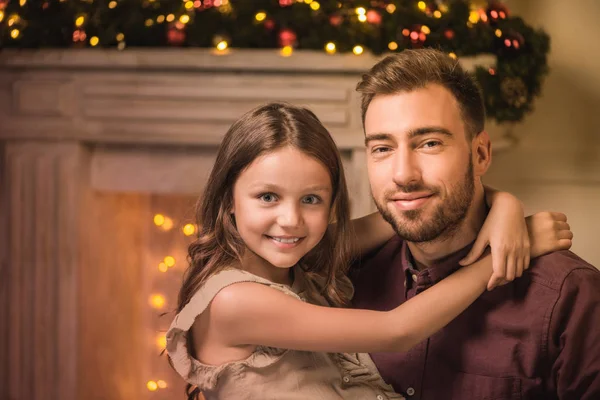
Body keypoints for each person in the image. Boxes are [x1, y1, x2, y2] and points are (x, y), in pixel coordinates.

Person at [166, 102, 571, 400]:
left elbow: (419, 208)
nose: (290, 220)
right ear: (229, 200)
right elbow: (397, 331)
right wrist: (503, 257)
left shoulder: (302, 254)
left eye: (311, 199)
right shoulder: (234, 301)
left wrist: (504, 207)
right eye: (268, 197)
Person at [350, 48, 600, 399]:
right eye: (382, 148)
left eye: (430, 143)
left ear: (480, 154)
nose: (403, 174)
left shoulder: (569, 295)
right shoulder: (345, 278)